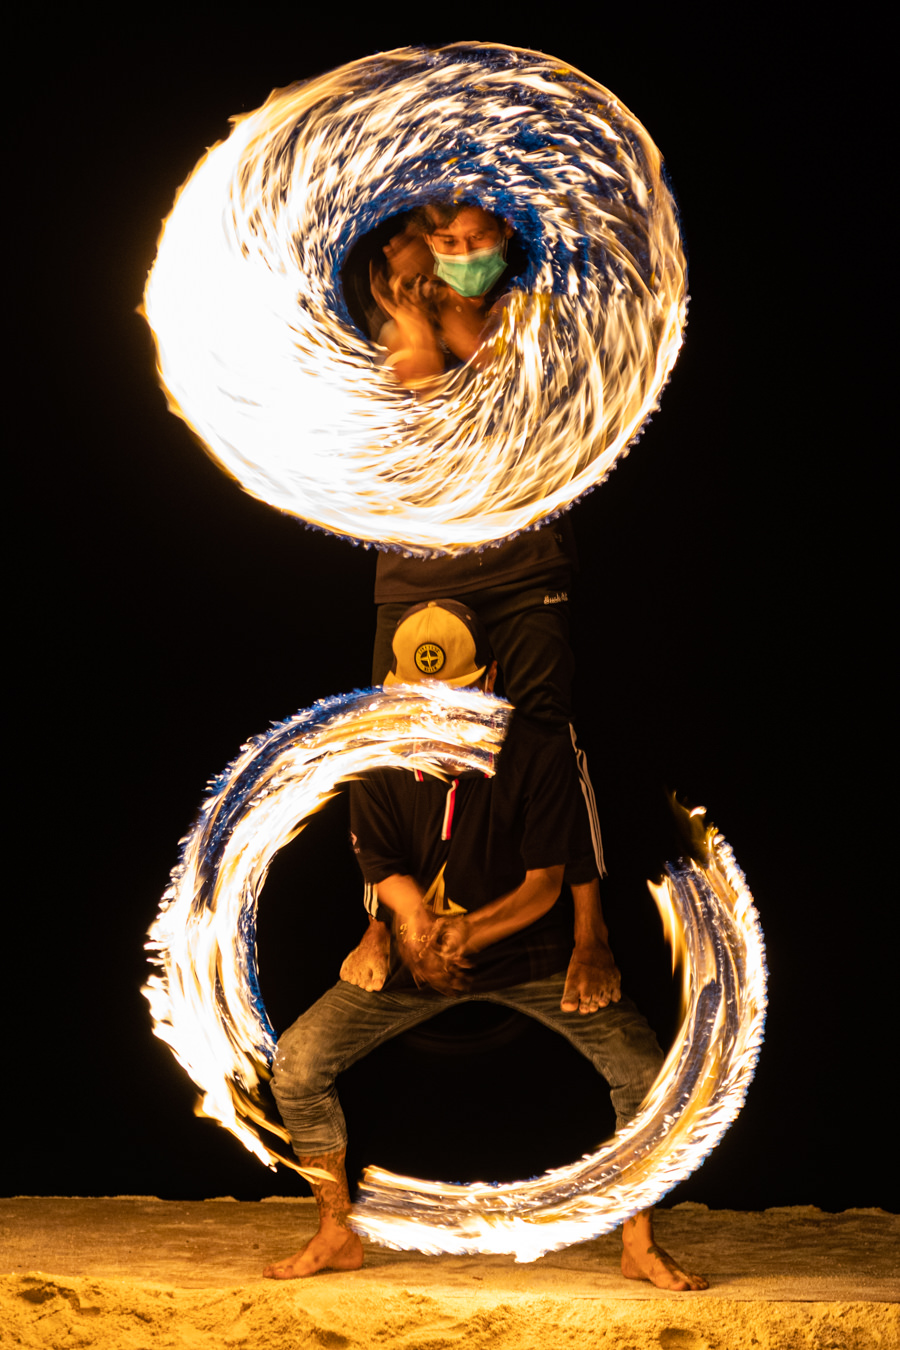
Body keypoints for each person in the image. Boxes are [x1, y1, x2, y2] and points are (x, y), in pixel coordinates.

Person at [263, 600, 708, 1292]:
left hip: (526, 951)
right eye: (424, 699)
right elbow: (384, 868)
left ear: (493, 679)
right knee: (296, 1064)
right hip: (420, 951)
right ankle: (336, 1231)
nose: (442, 715)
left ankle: (638, 1243)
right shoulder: (376, 758)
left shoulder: (538, 749)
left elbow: (545, 883)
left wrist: (467, 933)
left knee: (647, 1077)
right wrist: (410, 930)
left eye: (462, 696)